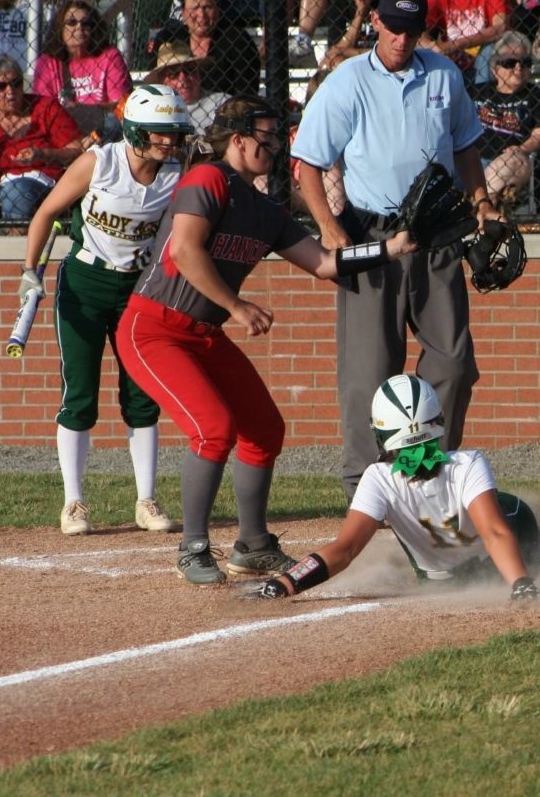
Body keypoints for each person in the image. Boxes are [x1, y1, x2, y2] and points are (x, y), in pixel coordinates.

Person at [115, 95, 419, 585]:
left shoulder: (264, 208)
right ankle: (193, 546)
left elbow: (323, 263)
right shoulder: (208, 179)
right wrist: (237, 307)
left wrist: (393, 247)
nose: (275, 146)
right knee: (213, 429)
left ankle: (252, 544)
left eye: (278, 136)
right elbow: (185, 250)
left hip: (202, 333)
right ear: (236, 140)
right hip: (153, 328)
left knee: (264, 428)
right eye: (266, 137)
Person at [291, 0, 500, 500]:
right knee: (369, 371)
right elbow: (308, 165)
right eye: (394, 27)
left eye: (412, 29)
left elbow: (467, 147)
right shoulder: (348, 81)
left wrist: (482, 204)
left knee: (452, 362)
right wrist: (330, 227)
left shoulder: (445, 75)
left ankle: (432, 474)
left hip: (435, 233)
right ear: (375, 24)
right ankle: (367, 490)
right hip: (371, 232)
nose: (402, 39)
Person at [19, 85, 194, 536]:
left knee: (142, 394)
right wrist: (29, 270)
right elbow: (45, 213)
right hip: (85, 282)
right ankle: (74, 501)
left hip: (138, 287)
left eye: (173, 134)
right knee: (79, 394)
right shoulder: (101, 161)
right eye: (160, 134)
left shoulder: (176, 172)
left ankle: (146, 499)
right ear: (136, 131)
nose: (169, 143)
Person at [246, 374, 540, 601]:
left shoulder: (379, 476)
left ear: (383, 435)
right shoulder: (467, 462)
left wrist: (285, 583)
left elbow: (345, 548)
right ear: (437, 421)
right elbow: (494, 532)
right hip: (474, 567)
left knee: (511, 517)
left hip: (464, 568)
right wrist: (521, 585)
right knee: (506, 510)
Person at [470, 31, 540, 209]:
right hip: (470, 161)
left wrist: (522, 149)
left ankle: (478, 207)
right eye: (509, 63)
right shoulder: (475, 93)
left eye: (525, 63)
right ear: (495, 69)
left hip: (510, 163)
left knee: (515, 160)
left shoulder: (538, 97)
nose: (518, 68)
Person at [0, 55, 82, 220]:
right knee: (11, 190)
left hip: (41, 179)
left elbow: (77, 150)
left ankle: (16, 243)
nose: (10, 91)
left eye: (16, 83)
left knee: (16, 190)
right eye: (0, 86)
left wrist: (42, 154)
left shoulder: (45, 107)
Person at [31, 0, 132, 143]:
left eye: (86, 24)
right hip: (62, 133)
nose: (79, 27)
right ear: (59, 27)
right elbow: (43, 109)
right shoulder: (48, 62)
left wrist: (81, 109)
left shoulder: (109, 56)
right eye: (72, 22)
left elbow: (121, 105)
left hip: (102, 133)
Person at [148, 0, 261, 97]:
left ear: (217, 10)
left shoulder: (236, 39)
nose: (201, 15)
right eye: (194, 8)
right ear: (183, 13)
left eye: (207, 7)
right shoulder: (168, 37)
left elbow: (247, 89)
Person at [421, 0, 509, 78]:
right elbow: (419, 28)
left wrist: (454, 45)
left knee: (488, 52)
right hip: (449, 56)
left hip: (482, 55)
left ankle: (482, 96)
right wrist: (430, 45)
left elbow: (500, 27)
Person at [143, 41, 228, 135]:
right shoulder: (152, 109)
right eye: (173, 74)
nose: (183, 79)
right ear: (161, 81)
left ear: (199, 73)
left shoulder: (223, 103)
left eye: (190, 70)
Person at [318, 0, 383, 72]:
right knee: (334, 61)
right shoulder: (339, 3)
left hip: (382, 61)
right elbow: (335, 51)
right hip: (353, 63)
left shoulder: (386, 0)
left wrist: (349, 51)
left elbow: (389, 51)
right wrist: (361, 10)